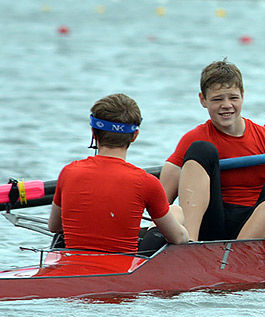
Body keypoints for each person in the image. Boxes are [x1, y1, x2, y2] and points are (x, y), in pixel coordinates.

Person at [159, 59, 265, 252]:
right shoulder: (192, 139)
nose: (226, 105)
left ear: (243, 95)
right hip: (213, 223)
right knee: (201, 149)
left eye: (233, 98)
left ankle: (237, 254)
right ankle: (190, 246)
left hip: (254, 223)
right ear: (203, 100)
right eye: (218, 99)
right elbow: (160, 204)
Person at [49, 93, 189, 254]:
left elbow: (54, 226)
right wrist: (186, 236)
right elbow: (177, 238)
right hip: (122, 269)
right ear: (134, 136)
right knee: (175, 211)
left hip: (73, 265)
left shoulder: (68, 172)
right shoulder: (146, 182)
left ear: (94, 133)